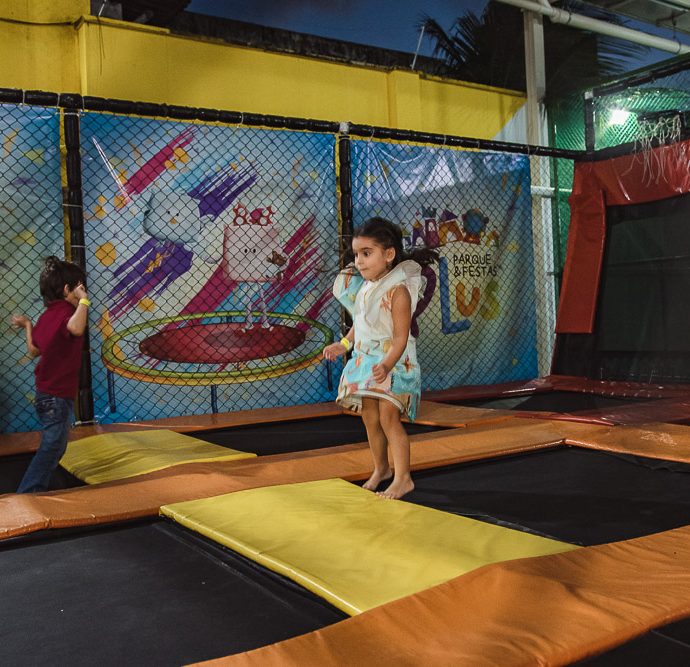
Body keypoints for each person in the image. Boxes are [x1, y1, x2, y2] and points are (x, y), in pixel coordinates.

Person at [323, 218, 437, 500]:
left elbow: (400, 337)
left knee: (388, 418)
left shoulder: (399, 291)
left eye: (366, 253)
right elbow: (360, 322)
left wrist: (386, 364)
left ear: (389, 254)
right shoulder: (366, 287)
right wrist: (344, 344)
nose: (359, 261)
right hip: (367, 361)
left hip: (394, 363)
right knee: (370, 417)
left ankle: (403, 478)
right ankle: (382, 469)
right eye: (356, 255)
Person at [10, 256, 90, 493]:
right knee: (52, 446)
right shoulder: (67, 312)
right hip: (56, 396)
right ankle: (28, 492)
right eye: (78, 288)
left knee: (56, 446)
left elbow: (34, 349)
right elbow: (76, 328)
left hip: (46, 394)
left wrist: (28, 325)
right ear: (67, 290)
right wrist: (84, 301)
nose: (81, 292)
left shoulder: (47, 316)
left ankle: (37, 487)